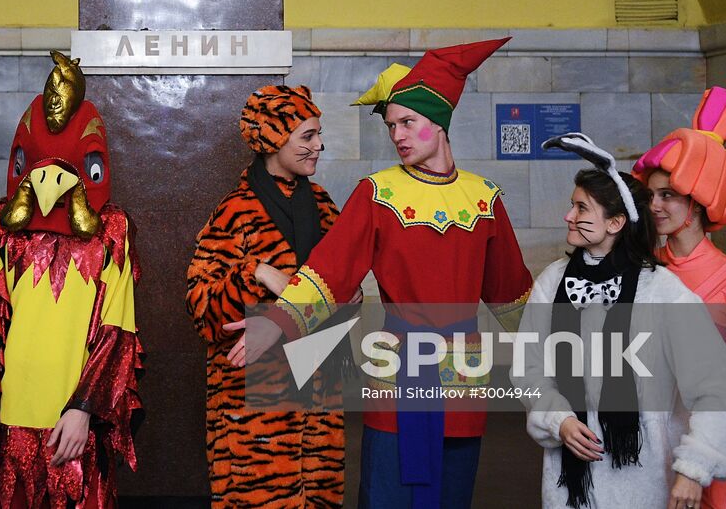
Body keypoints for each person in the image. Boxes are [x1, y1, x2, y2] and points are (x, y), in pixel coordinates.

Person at [229, 38, 534, 509]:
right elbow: (331, 274)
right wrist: (278, 320)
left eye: (408, 122)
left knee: (453, 495)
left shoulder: (485, 197)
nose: (398, 135)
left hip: (463, 378)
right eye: (392, 125)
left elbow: (511, 297)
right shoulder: (378, 193)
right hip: (398, 371)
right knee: (387, 494)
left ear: (440, 123)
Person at [518, 132, 726, 509]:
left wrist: (694, 467)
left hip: (645, 478)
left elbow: (716, 384)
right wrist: (556, 417)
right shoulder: (552, 281)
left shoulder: (662, 290)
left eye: (581, 208)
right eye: (571, 205)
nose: (568, 216)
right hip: (570, 483)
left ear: (615, 223)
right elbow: (529, 369)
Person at [0, 51, 141, 507]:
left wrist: (84, 409)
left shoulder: (111, 233)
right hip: (9, 418)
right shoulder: (2, 229)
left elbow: (117, 333)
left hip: (75, 427)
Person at [186, 85, 345, 507]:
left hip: (321, 402)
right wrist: (256, 273)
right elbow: (202, 309)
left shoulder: (327, 209)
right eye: (307, 136)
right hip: (254, 416)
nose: (319, 145)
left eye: (318, 134)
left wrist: (280, 320)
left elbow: (347, 299)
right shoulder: (234, 212)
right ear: (275, 138)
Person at [634, 88, 726, 509]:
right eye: (650, 196)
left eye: (668, 195)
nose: (654, 206)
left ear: (699, 201)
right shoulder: (642, 270)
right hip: (647, 451)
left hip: (712, 452)